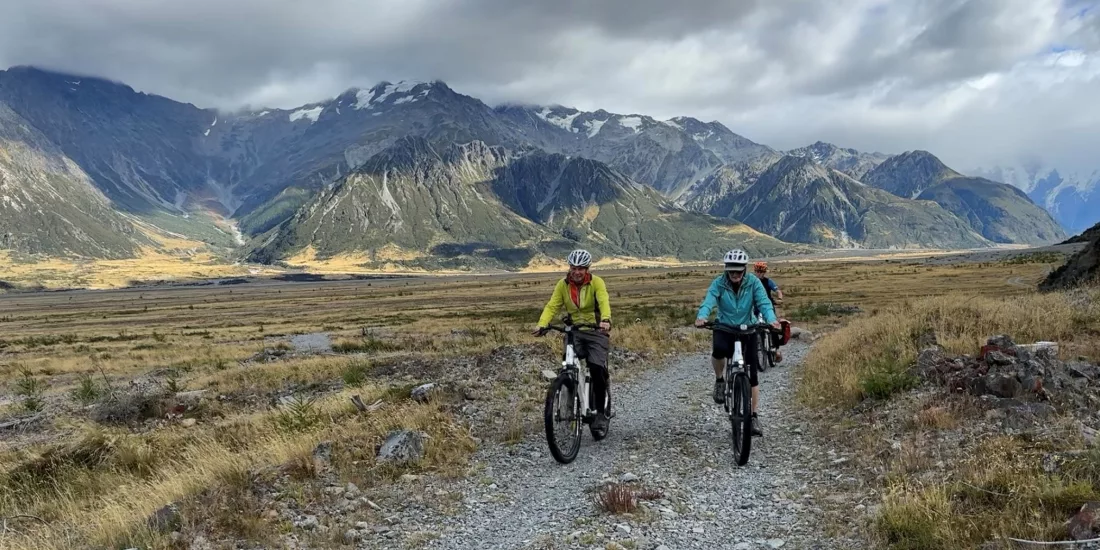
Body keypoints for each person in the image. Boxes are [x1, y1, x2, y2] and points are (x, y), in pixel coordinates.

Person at [695, 249, 779, 436]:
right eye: (731, 270)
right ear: (726, 270)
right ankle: (719, 380)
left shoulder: (754, 283)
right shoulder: (718, 283)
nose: (734, 274)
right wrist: (702, 316)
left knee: (753, 374)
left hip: (747, 327)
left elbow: (764, 303)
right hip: (724, 327)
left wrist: (771, 319)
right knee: (718, 350)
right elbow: (709, 301)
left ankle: (754, 416)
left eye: (738, 270)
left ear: (744, 270)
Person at [533, 249, 613, 437]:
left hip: (595, 331)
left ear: (587, 269)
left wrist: (606, 319)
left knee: (596, 368)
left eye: (581, 269)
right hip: (574, 331)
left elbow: (603, 301)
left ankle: (600, 413)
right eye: (573, 268)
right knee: (567, 365)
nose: (576, 272)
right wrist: (542, 324)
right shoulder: (563, 285)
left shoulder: (596, 283)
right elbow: (552, 305)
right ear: (569, 268)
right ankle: (569, 402)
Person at [753, 261, 784, 364]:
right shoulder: (751, 281)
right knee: (751, 325)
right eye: (758, 271)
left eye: (762, 271)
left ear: (764, 272)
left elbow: (777, 290)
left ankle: (776, 349)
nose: (759, 273)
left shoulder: (768, 281)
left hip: (768, 306)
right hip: (755, 307)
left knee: (773, 326)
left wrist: (779, 298)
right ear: (755, 271)